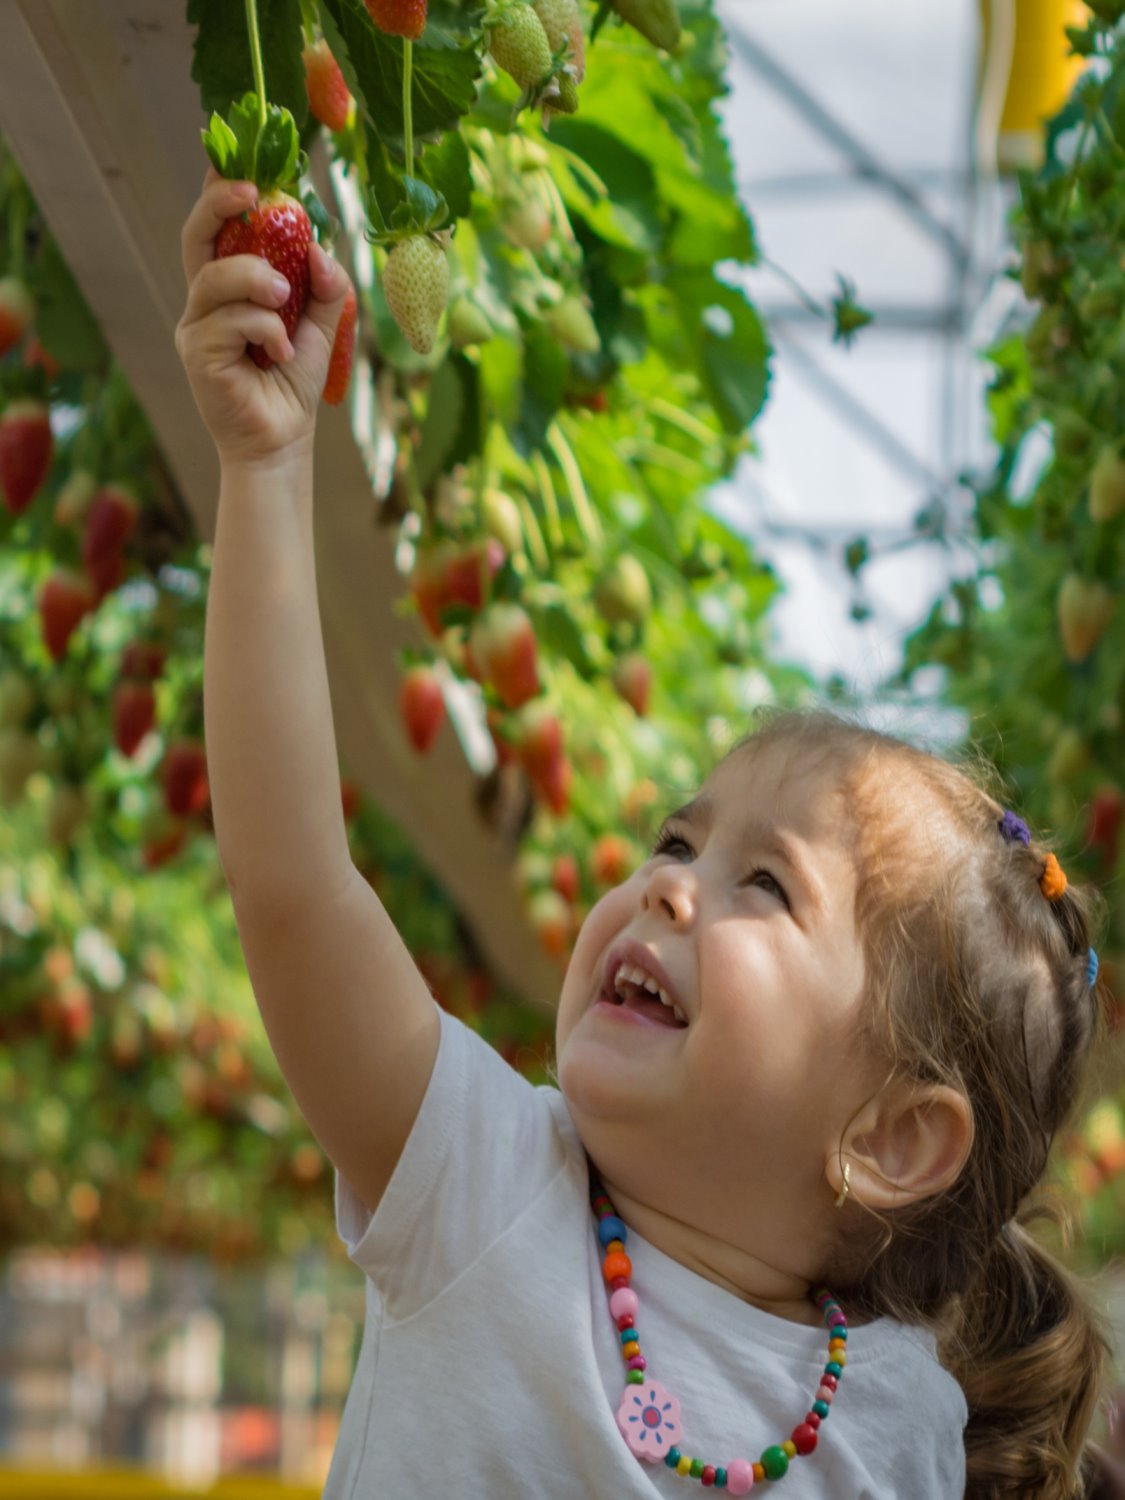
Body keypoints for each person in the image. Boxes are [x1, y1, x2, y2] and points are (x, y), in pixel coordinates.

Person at [176, 169, 1110, 1498]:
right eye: (678, 845)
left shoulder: (897, 1416)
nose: (668, 890)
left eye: (764, 889)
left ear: (890, 1142)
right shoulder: (483, 1186)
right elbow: (292, 890)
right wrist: (266, 465)